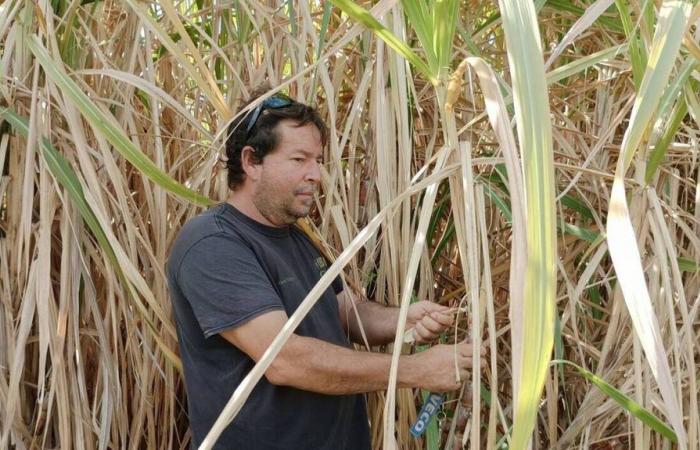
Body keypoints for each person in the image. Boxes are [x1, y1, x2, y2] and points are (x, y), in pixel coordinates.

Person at [167, 89, 477, 450]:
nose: (315, 174)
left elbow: (347, 313)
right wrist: (414, 370)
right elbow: (283, 360)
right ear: (251, 162)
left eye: (318, 161)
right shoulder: (213, 244)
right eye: (299, 159)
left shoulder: (296, 238)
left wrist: (404, 320)